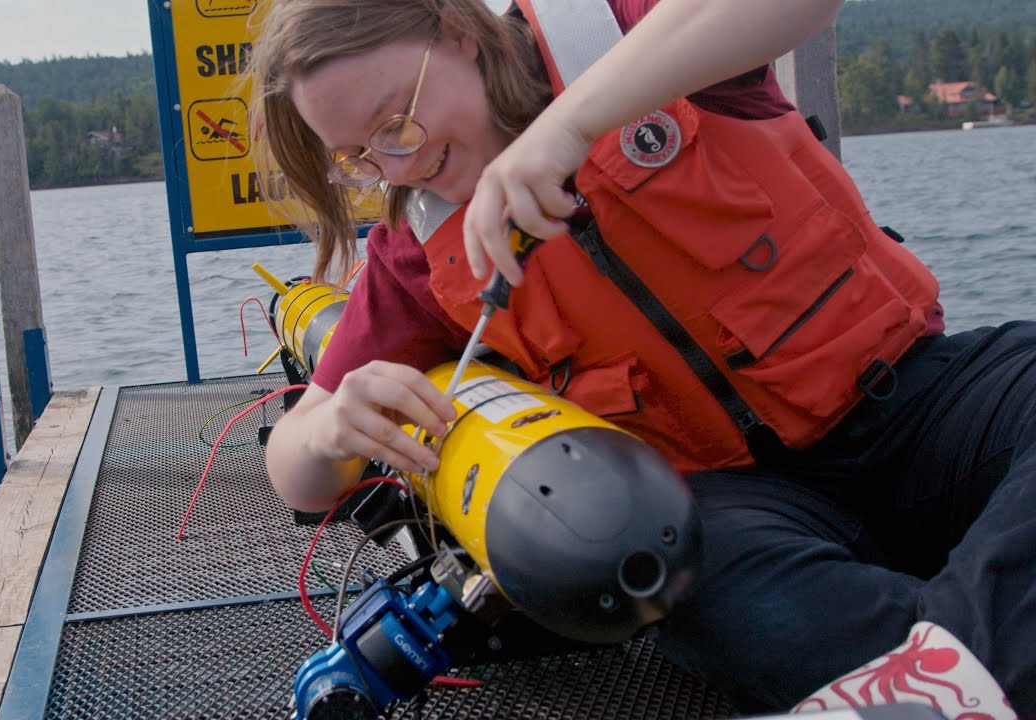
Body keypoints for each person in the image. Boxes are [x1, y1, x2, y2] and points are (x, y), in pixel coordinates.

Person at [249, 0, 1036, 715]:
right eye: (361, 157)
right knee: (712, 603)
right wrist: (326, 431)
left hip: (919, 404)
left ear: (454, 33)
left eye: (398, 123)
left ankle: (938, 670)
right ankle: (981, 654)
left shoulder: (629, 34)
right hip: (737, 511)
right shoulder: (414, 255)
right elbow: (296, 468)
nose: (398, 166)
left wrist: (575, 123)